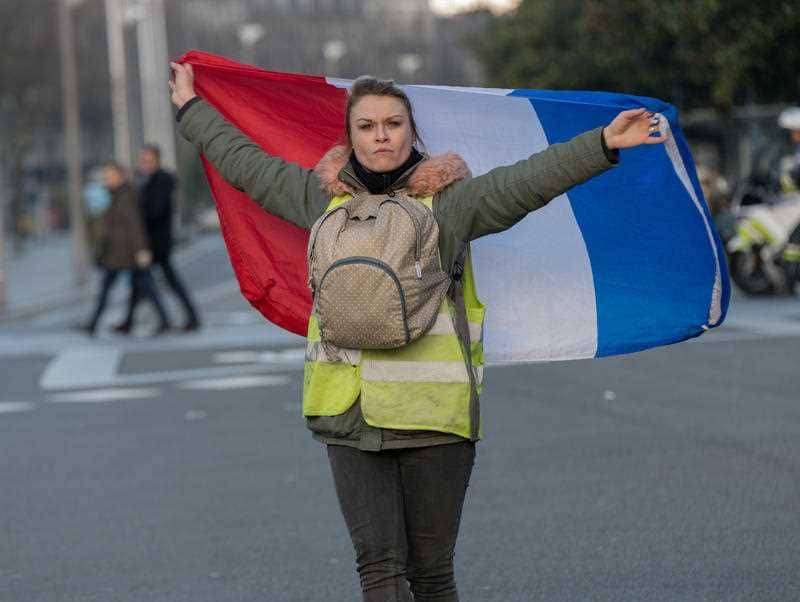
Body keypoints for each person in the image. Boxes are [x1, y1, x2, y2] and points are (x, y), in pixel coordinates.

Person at [169, 60, 667, 601]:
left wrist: (601, 144)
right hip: (347, 415)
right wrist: (192, 109)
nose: (381, 135)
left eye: (393, 123)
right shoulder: (322, 201)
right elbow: (246, 165)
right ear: (351, 136)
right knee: (379, 572)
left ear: (412, 131)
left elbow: (528, 180)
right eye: (367, 125)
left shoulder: (450, 205)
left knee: (430, 576)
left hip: (433, 417)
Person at [113, 144, 201, 334]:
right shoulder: (147, 181)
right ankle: (131, 321)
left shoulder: (162, 181)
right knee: (139, 281)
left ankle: (180, 318)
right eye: (142, 160)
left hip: (158, 242)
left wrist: (139, 214)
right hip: (150, 241)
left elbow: (156, 211)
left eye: (148, 160)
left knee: (162, 280)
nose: (144, 164)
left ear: (157, 161)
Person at [80, 163, 171, 337]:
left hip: (126, 253)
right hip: (118, 252)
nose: (107, 180)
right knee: (140, 288)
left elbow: (134, 226)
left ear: (119, 177)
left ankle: (94, 323)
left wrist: (142, 250)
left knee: (141, 287)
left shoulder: (125, 196)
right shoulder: (115, 195)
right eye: (106, 177)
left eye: (110, 177)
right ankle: (102, 323)